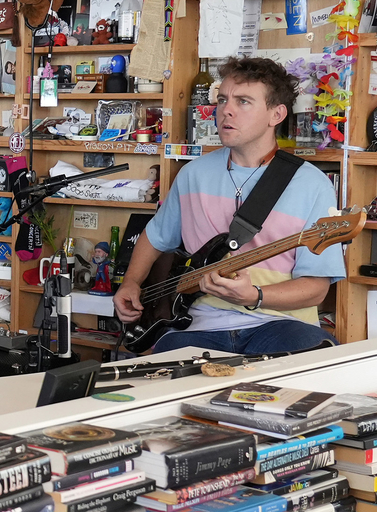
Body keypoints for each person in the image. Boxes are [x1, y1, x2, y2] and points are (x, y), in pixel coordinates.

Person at [114, 57, 344, 355]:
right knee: (159, 379)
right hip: (197, 326)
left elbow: (317, 287)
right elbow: (156, 236)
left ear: (276, 113)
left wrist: (255, 296)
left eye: (243, 101)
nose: (226, 110)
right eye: (222, 99)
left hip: (280, 324)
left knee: (317, 360)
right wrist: (131, 283)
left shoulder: (313, 185)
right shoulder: (193, 174)